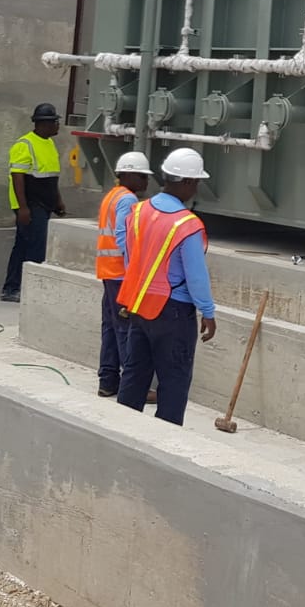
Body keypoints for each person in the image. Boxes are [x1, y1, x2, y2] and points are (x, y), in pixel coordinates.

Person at [116, 147, 217, 425]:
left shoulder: (137, 212)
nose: (196, 189)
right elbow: (196, 276)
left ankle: (120, 431)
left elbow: (129, 256)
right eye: (196, 183)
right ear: (187, 181)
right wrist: (207, 312)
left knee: (135, 375)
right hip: (174, 312)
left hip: (139, 306)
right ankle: (165, 436)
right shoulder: (187, 224)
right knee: (174, 381)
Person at [95, 152, 153, 398]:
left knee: (110, 326)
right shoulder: (127, 199)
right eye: (142, 176)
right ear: (128, 175)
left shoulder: (112, 195)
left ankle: (108, 381)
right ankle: (133, 386)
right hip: (120, 274)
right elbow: (123, 236)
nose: (146, 181)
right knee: (125, 329)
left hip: (109, 271)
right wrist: (133, 272)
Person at [0, 103, 66, 303]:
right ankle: (21, 289)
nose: (58, 125)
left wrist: (57, 201)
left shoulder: (49, 144)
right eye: (55, 122)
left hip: (43, 204)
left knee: (24, 245)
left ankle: (13, 288)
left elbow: (51, 176)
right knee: (35, 247)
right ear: (44, 124)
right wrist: (23, 208)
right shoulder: (25, 144)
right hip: (30, 205)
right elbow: (18, 177)